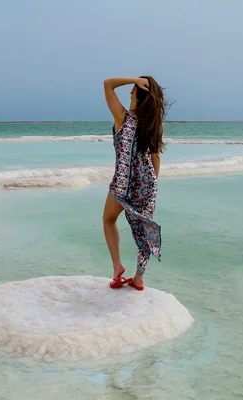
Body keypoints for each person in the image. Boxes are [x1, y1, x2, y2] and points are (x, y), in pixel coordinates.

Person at [102, 76, 168, 291]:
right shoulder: (151, 125)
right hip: (147, 183)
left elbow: (108, 83)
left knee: (108, 219)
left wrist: (134, 79)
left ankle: (117, 267)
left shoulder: (123, 118)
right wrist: (152, 186)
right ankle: (139, 278)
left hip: (123, 182)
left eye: (132, 89)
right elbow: (155, 158)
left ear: (136, 94)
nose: (130, 91)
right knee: (144, 229)